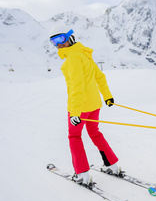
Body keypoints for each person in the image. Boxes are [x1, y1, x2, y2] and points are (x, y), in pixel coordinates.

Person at [49, 26, 120, 186]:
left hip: (80, 108)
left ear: (69, 38)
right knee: (94, 133)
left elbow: (77, 86)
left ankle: (82, 174)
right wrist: (107, 96)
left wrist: (74, 112)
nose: (58, 44)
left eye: (60, 39)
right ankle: (112, 165)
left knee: (74, 136)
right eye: (53, 41)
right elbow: (100, 77)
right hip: (94, 105)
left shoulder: (72, 59)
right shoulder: (84, 54)